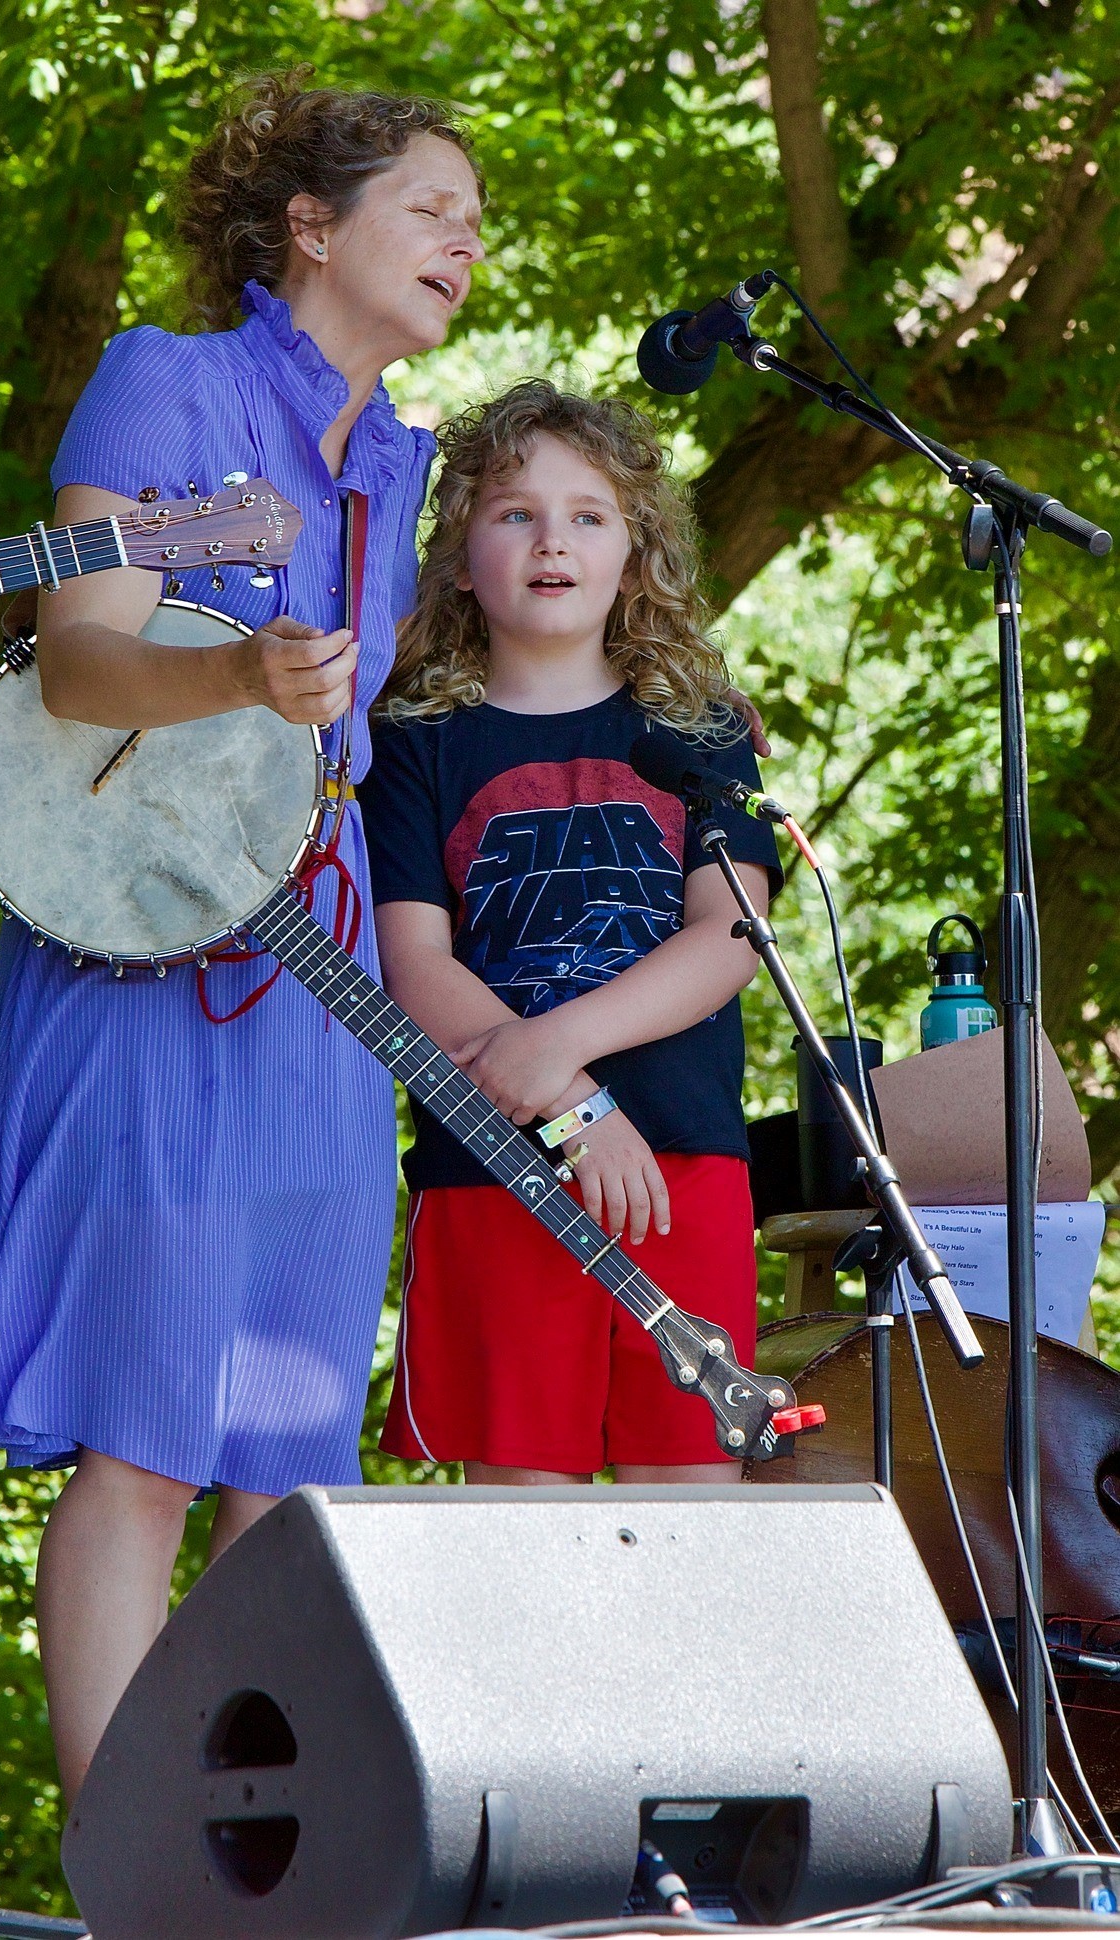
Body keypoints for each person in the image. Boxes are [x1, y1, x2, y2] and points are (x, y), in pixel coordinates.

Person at [0, 70, 485, 1802]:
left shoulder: (399, 461)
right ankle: (129, 1865)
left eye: (475, 222)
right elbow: (85, 651)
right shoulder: (166, 382)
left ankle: (271, 1859)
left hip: (316, 1002)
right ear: (311, 227)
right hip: (149, 970)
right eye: (432, 206)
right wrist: (235, 675)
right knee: (147, 1449)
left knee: (288, 1460)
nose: (465, 241)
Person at [358, 380, 782, 1486]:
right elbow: (412, 961)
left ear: (636, 553)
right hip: (491, 1167)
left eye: (588, 514)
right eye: (514, 513)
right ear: (457, 557)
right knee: (522, 1526)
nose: (554, 540)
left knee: (690, 1502)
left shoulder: (702, 726)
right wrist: (569, 1103)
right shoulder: (409, 740)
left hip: (685, 1164)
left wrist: (559, 1045)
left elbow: (732, 934)